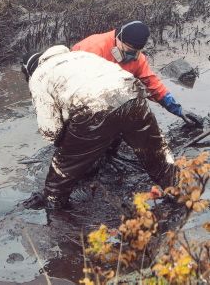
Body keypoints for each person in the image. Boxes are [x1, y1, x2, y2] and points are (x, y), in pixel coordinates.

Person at [21, 45, 176, 210]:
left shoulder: (39, 76)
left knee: (62, 169)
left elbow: (51, 132)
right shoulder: (82, 55)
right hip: (132, 94)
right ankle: (181, 192)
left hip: (94, 108)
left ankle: (55, 208)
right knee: (157, 153)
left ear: (29, 70)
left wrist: (69, 141)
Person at [71, 20, 202, 126]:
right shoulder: (92, 48)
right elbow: (73, 83)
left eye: (135, 52)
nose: (131, 55)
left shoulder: (137, 59)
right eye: (128, 50)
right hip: (77, 85)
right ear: (118, 39)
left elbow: (154, 85)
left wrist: (178, 110)